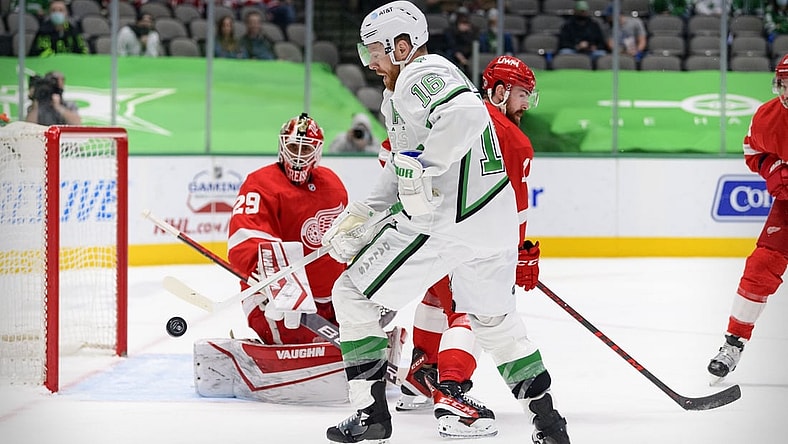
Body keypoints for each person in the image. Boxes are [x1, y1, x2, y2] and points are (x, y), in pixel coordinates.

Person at [322, 2, 570, 443]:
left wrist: (426, 167)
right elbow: (404, 161)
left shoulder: (422, 73)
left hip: (451, 221)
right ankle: (548, 424)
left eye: (375, 51)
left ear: (402, 45)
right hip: (491, 223)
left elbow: (465, 118)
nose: (371, 62)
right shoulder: (403, 88)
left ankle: (370, 414)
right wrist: (362, 210)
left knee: (352, 294)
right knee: (496, 324)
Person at [393, 55, 550, 441]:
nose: (526, 104)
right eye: (521, 95)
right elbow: (510, 204)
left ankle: (420, 374)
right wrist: (518, 253)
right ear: (497, 92)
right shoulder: (513, 138)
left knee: (436, 296)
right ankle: (451, 390)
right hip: (475, 241)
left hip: (431, 229)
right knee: (476, 311)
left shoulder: (451, 113)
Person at [227, 112, 348, 345]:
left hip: (330, 300)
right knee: (296, 339)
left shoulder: (333, 184)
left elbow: (343, 244)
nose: (299, 157)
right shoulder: (261, 183)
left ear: (318, 151)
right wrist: (281, 288)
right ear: (283, 146)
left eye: (306, 149)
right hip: (275, 300)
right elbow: (244, 238)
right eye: (294, 147)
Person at [707, 53, 788, 382]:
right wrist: (775, 171)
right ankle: (733, 344)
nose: (785, 92)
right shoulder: (768, 116)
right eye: (783, 84)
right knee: (760, 266)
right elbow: (754, 151)